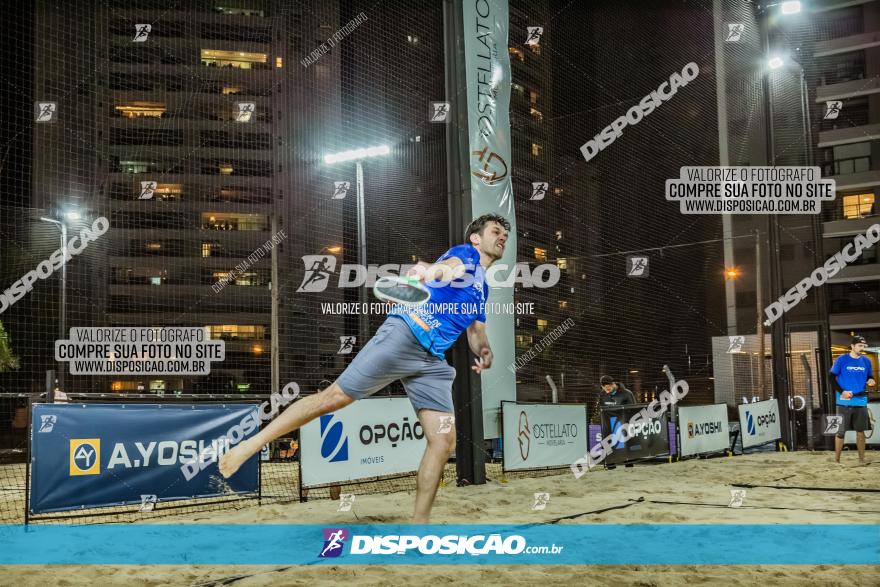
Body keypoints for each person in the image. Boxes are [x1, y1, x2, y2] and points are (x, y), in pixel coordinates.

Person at [219, 213, 510, 522]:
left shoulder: (483, 289)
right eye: (496, 230)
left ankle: (419, 527)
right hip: (406, 335)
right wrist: (430, 272)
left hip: (432, 362)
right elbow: (447, 270)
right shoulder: (465, 254)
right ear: (476, 238)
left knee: (443, 440)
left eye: (505, 233)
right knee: (333, 398)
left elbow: (476, 332)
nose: (502, 236)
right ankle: (251, 445)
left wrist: (486, 352)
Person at [830, 335, 875, 465]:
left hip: (860, 401)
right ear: (852, 346)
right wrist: (842, 391)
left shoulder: (866, 361)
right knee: (840, 433)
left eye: (863, 346)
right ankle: (837, 461)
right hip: (843, 402)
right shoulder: (842, 359)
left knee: (860, 431)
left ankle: (861, 460)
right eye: (860, 346)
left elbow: (869, 376)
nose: (862, 348)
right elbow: (831, 378)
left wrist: (871, 380)